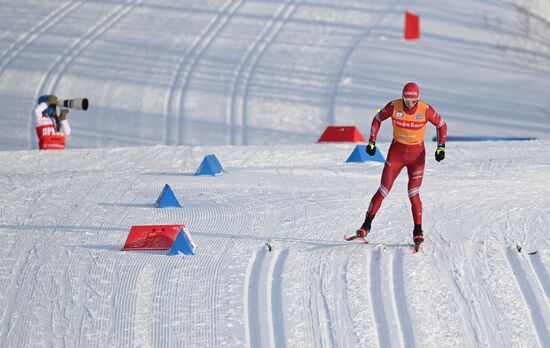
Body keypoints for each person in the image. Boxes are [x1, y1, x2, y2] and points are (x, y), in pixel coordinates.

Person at [356, 82, 447, 248]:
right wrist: (371, 142)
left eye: (413, 101)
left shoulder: (425, 109)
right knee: (383, 189)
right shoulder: (393, 106)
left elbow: (441, 125)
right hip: (396, 153)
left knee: (413, 193)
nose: (409, 104)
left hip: (416, 156)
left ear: (418, 99)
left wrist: (441, 147)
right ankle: (365, 225)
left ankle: (418, 230)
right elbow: (377, 118)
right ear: (402, 97)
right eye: (406, 100)